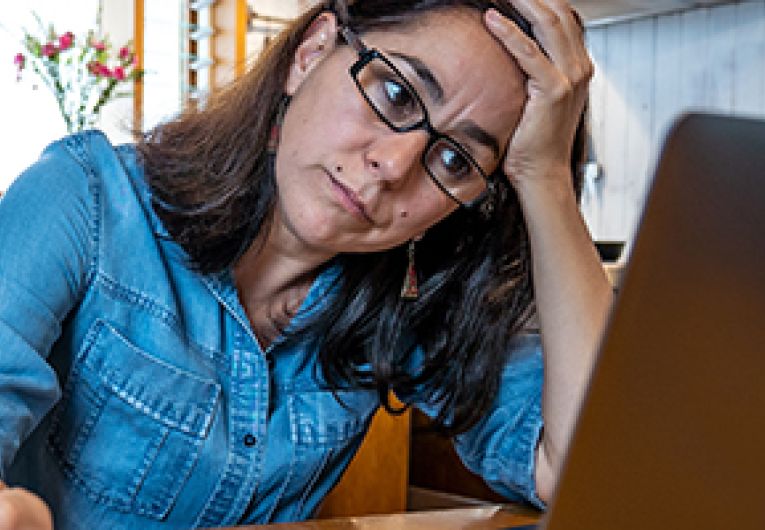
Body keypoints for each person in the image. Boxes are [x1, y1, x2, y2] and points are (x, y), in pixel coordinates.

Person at [0, 0, 612, 528]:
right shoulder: (85, 199)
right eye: (396, 94)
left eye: (454, 161)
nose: (395, 166)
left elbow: (576, 469)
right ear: (311, 52)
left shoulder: (404, 304)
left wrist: (546, 177)